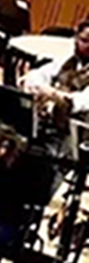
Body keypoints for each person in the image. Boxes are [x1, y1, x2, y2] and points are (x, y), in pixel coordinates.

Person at [21, 19, 89, 159]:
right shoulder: (67, 60)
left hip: (73, 137)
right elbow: (35, 76)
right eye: (84, 40)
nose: (88, 46)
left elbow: (79, 102)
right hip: (46, 125)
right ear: (75, 38)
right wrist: (39, 87)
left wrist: (50, 93)